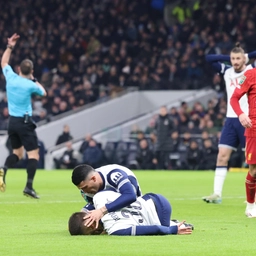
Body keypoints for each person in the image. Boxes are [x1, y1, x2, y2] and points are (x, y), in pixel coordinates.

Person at [202, 43, 256, 204]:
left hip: (248, 120)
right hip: (231, 120)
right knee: (222, 156)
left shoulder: (251, 70)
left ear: (244, 59)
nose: (235, 61)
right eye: (233, 58)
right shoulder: (226, 71)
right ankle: (217, 194)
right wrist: (229, 58)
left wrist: (248, 55)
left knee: (252, 163)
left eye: (238, 58)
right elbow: (209, 58)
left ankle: (251, 198)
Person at [0, 33, 47, 198]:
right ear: (31, 71)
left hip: (12, 122)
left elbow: (4, 62)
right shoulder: (29, 85)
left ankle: (3, 169)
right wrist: (34, 79)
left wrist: (10, 46)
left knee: (17, 154)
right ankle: (28, 187)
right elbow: (43, 92)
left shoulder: (11, 77)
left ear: (19, 69)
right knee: (33, 154)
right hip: (25, 122)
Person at [68, 190, 193, 236]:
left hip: (160, 216)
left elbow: (156, 229)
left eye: (92, 232)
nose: (97, 232)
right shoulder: (99, 197)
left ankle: (175, 224)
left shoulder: (114, 229)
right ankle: (175, 223)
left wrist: (173, 230)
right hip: (152, 197)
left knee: (163, 227)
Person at [71, 164, 142, 228]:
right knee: (82, 216)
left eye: (85, 187)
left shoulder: (114, 175)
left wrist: (102, 211)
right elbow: (93, 205)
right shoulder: (87, 189)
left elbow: (130, 196)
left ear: (94, 179)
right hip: (111, 204)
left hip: (135, 206)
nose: (84, 191)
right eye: (81, 189)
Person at [230, 68, 256, 217]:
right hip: (254, 129)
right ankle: (251, 205)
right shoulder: (250, 75)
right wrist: (241, 114)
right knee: (254, 170)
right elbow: (234, 98)